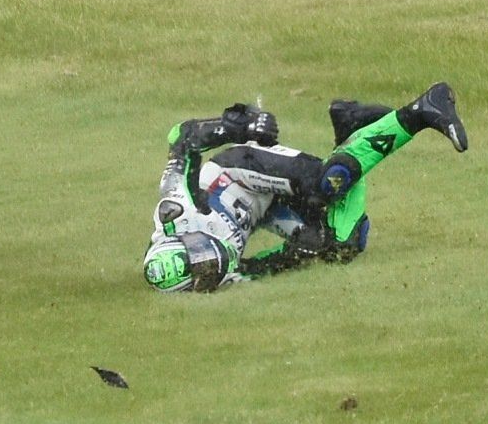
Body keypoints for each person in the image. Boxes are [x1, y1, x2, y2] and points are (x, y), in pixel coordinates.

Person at [141, 84, 469, 293]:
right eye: (206, 270)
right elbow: (262, 272)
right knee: (342, 245)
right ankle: (353, 126)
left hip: (241, 169)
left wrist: (238, 126)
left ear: (180, 235)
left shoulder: (176, 205)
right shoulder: (214, 282)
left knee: (326, 184)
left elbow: (181, 137)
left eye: (198, 251)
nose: (212, 259)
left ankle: (425, 109)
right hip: (266, 209)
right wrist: (300, 255)